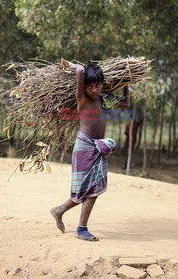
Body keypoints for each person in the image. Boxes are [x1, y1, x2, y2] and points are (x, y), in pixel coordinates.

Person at [50, 62, 130, 241]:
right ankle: (81, 229)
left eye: (97, 86)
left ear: (102, 85)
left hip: (97, 148)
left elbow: (125, 103)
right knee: (88, 191)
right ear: (84, 87)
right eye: (90, 86)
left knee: (90, 190)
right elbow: (80, 70)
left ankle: (59, 210)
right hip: (85, 147)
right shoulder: (83, 100)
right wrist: (70, 65)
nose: (94, 90)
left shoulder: (103, 101)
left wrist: (126, 83)